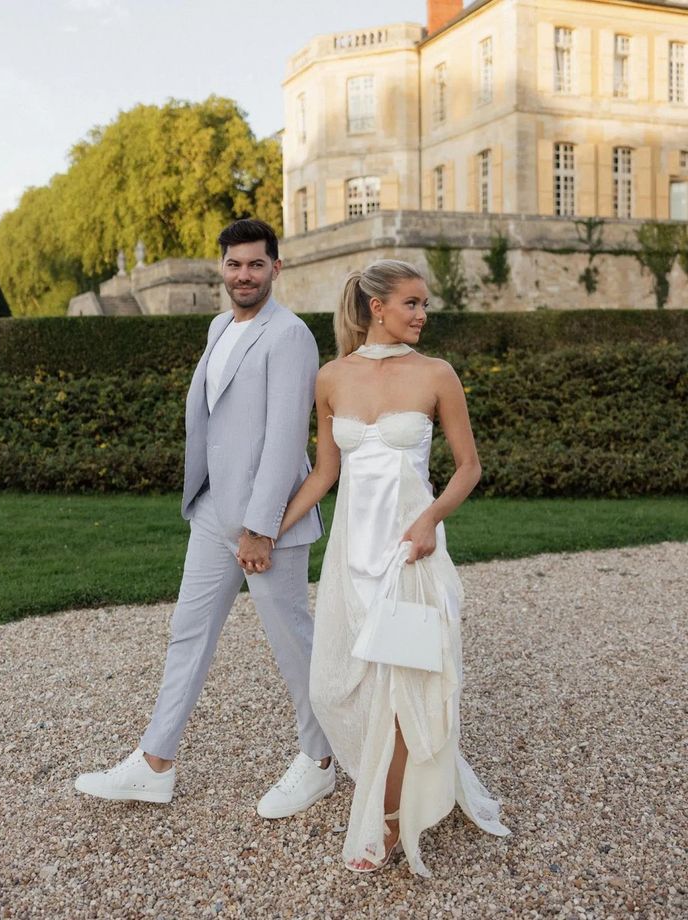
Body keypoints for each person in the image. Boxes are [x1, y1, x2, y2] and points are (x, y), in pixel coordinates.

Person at [75, 219, 335, 818]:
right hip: (213, 510)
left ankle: (320, 760)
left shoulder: (290, 335)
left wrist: (261, 526)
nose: (243, 275)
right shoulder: (219, 326)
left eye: (255, 264)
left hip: (267, 521)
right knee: (188, 634)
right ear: (221, 267)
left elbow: (282, 439)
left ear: (276, 267)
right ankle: (155, 763)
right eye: (233, 264)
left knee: (292, 642)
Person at [277, 260, 510, 876]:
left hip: (412, 547)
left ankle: (386, 817)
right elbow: (326, 473)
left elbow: (468, 468)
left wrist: (430, 521)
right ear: (376, 306)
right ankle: (387, 786)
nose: (422, 315)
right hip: (353, 553)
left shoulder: (437, 374)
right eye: (412, 303)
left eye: (425, 304)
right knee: (335, 685)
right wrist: (270, 527)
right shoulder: (331, 378)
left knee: (408, 678)